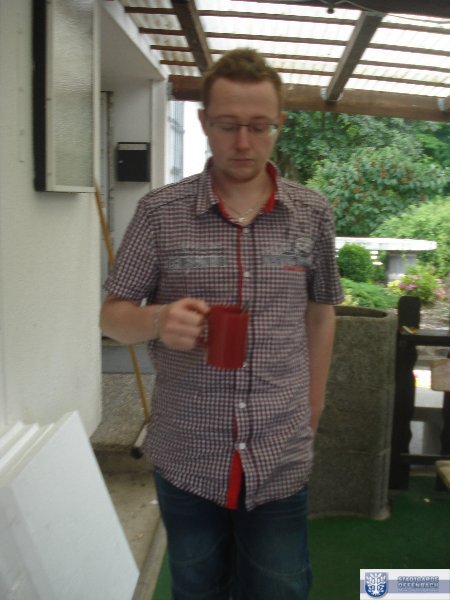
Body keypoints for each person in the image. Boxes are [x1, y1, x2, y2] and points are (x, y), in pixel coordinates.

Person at [100, 48, 343, 600]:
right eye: (228, 125)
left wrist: (314, 404)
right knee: (197, 586)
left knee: (280, 586)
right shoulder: (160, 212)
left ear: (280, 124)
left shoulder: (312, 213)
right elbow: (112, 316)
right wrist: (157, 320)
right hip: (188, 448)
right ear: (204, 121)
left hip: (280, 447)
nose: (243, 142)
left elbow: (321, 311)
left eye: (260, 126)